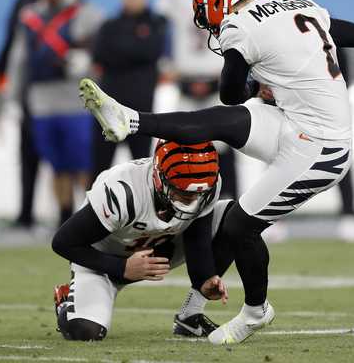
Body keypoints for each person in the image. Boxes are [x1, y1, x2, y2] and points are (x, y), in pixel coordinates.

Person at [78, 0, 354, 344]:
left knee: (239, 224)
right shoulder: (300, 7)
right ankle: (129, 120)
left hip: (320, 149)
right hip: (296, 122)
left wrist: (254, 86)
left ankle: (255, 312)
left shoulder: (240, 25)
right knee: (217, 124)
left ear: (219, 3)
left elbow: (230, 92)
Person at [51, 140, 231, 341]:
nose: (192, 199)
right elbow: (63, 242)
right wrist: (121, 267)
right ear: (158, 177)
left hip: (159, 251)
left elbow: (198, 238)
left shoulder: (205, 187)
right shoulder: (123, 191)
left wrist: (205, 278)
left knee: (234, 219)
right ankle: (66, 302)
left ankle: (191, 316)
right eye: (182, 192)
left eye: (198, 192)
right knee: (85, 331)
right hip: (102, 261)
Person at [266, 0, 354, 242]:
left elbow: (341, 66)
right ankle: (271, 217)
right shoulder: (270, 31)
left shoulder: (315, 24)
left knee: (336, 156)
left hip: (320, 106)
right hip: (289, 106)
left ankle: (349, 214)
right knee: (278, 156)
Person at [7, 0, 101, 227]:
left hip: (75, 99)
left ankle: (93, 217)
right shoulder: (30, 17)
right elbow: (19, 59)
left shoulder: (84, 11)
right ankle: (64, 217)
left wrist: (88, 66)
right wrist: (14, 97)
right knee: (57, 165)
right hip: (42, 100)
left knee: (81, 163)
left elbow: (100, 47)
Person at [154, 0, 239, 200]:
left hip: (217, 80)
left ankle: (229, 198)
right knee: (182, 141)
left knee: (225, 143)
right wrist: (167, 68)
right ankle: (183, 196)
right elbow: (158, 28)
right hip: (186, 80)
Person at [0, 0, 62, 229]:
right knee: (28, 149)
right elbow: (11, 42)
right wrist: (0, 74)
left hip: (58, 89)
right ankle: (26, 213)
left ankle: (66, 214)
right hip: (31, 87)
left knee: (63, 156)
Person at [90, 0, 167, 182]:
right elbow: (99, 54)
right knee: (99, 169)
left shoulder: (158, 22)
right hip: (107, 108)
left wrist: (120, 50)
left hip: (140, 111)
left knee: (143, 170)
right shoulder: (109, 25)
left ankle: (144, 214)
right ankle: (95, 212)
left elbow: (151, 51)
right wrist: (135, 51)